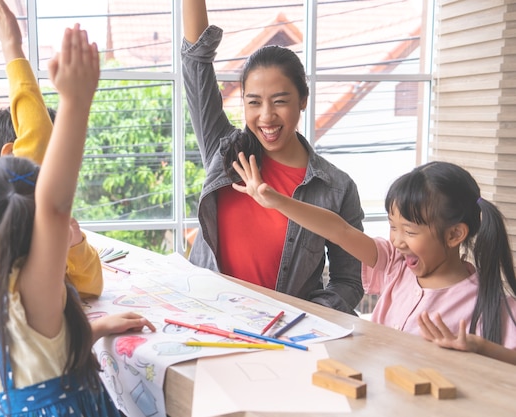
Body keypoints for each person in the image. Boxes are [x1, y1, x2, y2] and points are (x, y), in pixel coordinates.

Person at [0, 20, 156, 416]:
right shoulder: (31, 290)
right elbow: (54, 203)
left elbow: (30, 354)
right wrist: (76, 102)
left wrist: (93, 329)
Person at [232, 154, 516, 358]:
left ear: (455, 235)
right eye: (393, 227)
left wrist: (482, 348)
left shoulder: (488, 301)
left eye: (410, 231)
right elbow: (340, 230)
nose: (397, 241)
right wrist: (277, 201)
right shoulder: (395, 264)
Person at [181, 0, 365, 315]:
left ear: (303, 100)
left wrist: (304, 316)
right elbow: (196, 61)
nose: (266, 117)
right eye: (254, 102)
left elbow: (348, 280)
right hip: (208, 317)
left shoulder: (338, 188)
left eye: (280, 101)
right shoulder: (224, 150)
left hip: (285, 336)